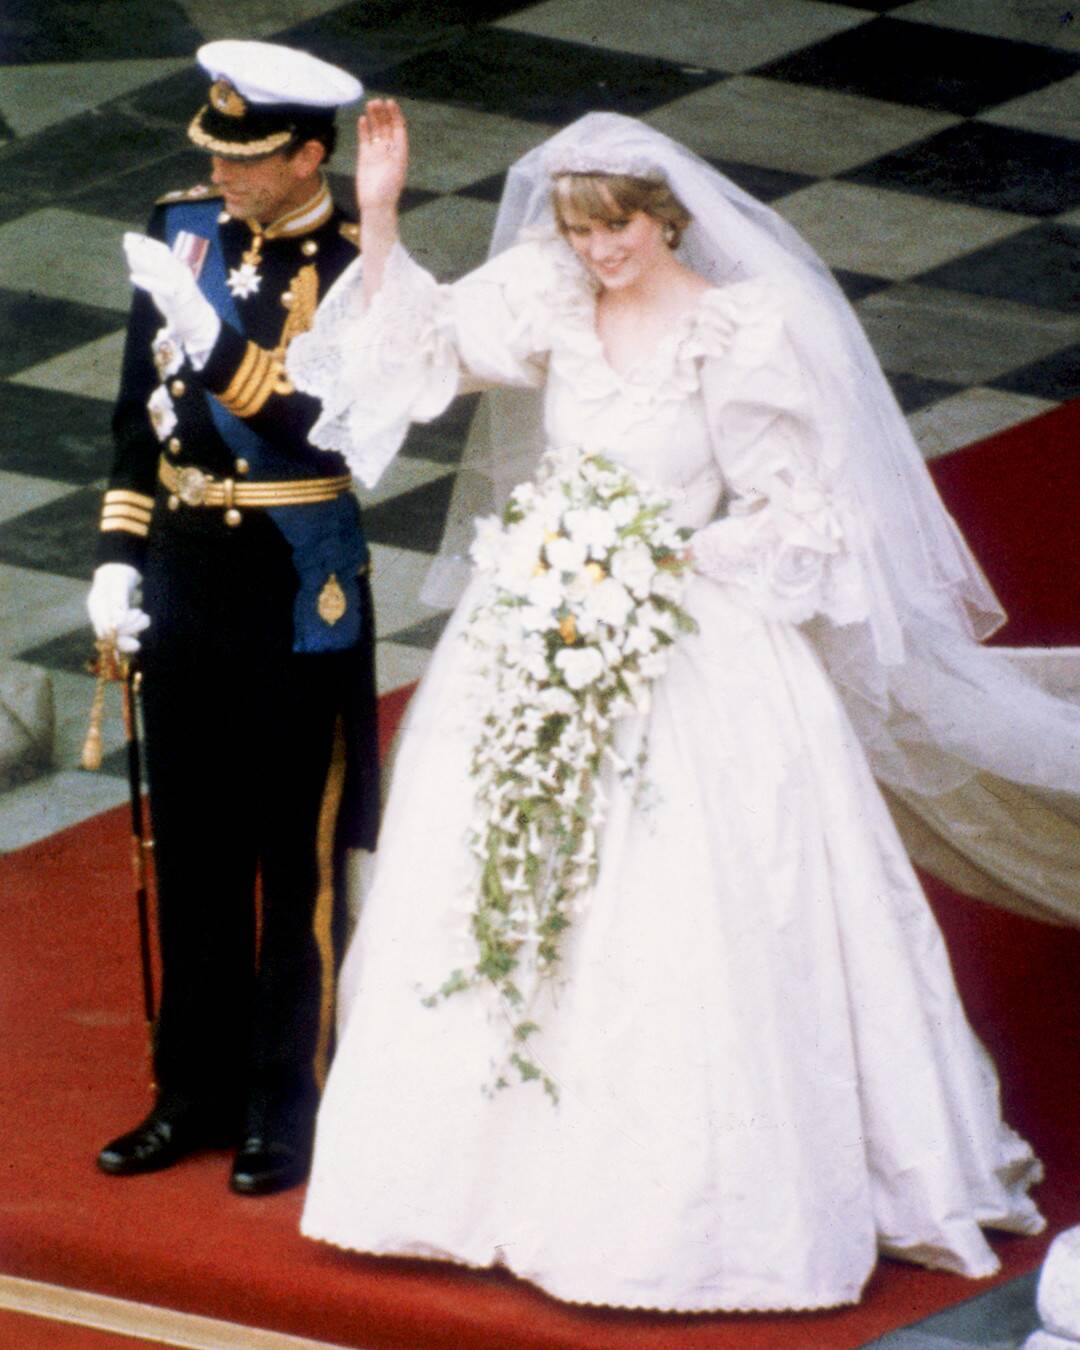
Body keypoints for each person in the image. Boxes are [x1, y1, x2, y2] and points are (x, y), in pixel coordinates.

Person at [285, 103, 1080, 1309]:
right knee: (495, 877)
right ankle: (474, 1187)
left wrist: (660, 559)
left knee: (690, 908)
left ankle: (675, 1214)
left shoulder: (738, 333)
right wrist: (382, 210)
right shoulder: (552, 300)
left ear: (664, 218)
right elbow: (418, 353)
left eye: (616, 228)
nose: (598, 250)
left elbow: (797, 513)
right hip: (541, 623)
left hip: (689, 638)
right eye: (579, 230)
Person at [85, 41, 379, 1198]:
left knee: (294, 858)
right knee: (194, 846)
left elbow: (324, 431)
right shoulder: (182, 229)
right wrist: (119, 559)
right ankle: (190, 1093)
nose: (220, 171)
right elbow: (136, 417)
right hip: (187, 573)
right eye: (213, 151)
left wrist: (218, 349)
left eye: (246, 158)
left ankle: (285, 1103)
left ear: (309, 155)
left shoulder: (359, 265)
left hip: (295, 586)